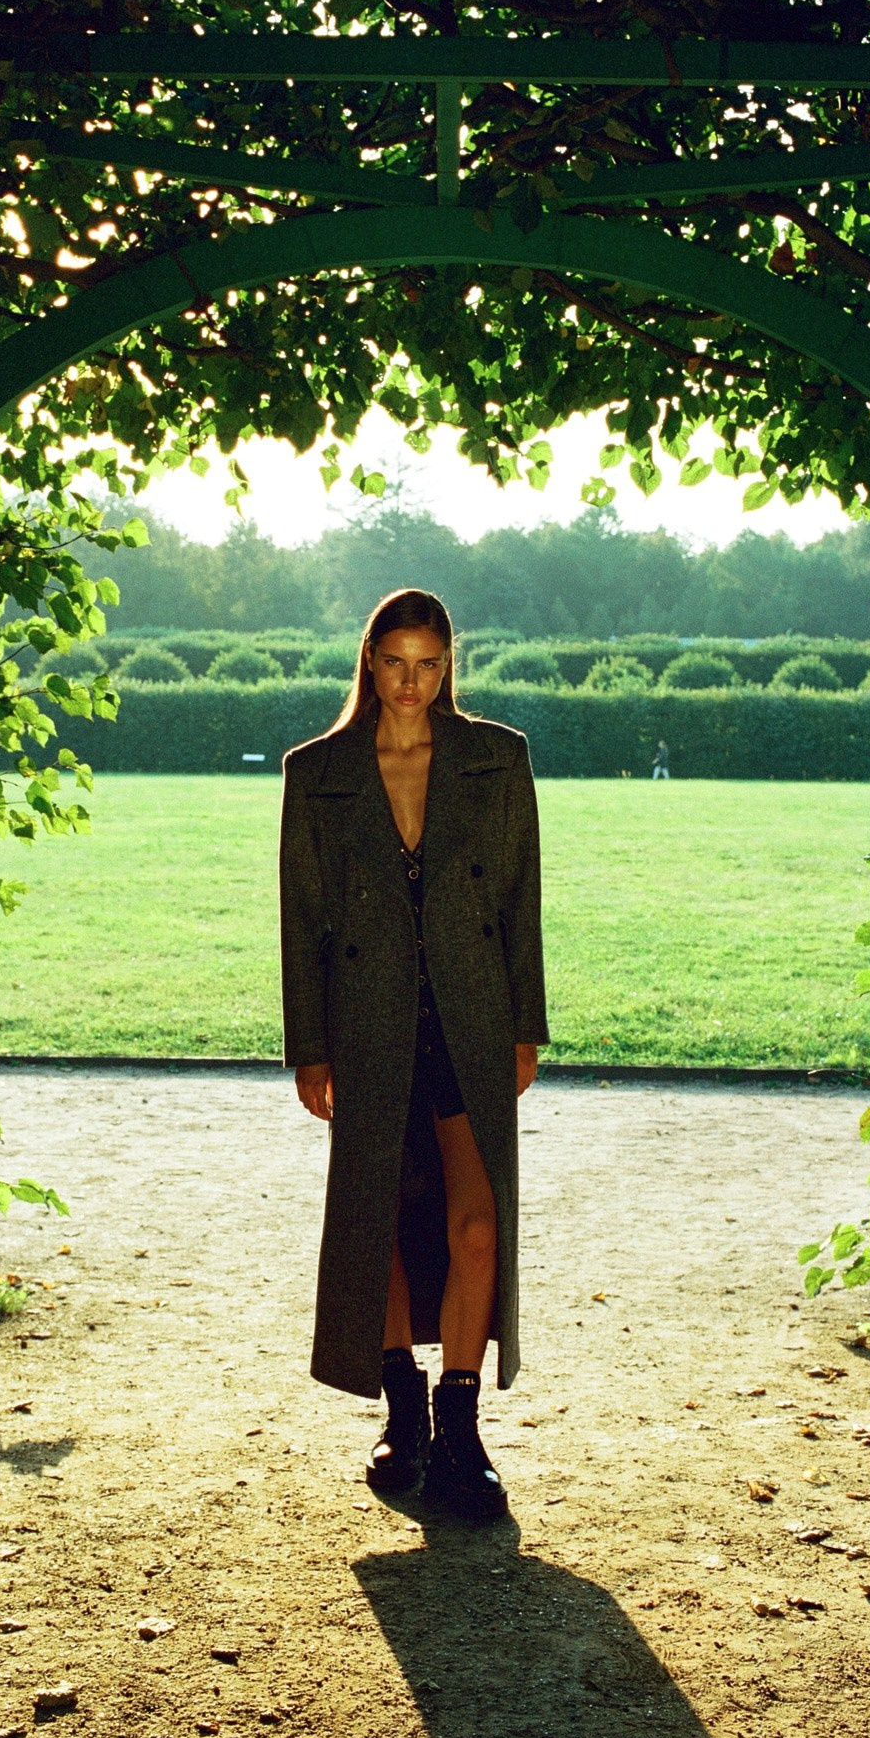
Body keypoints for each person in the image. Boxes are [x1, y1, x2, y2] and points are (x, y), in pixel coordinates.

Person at [279, 588, 548, 1522]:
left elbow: (520, 900)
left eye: (429, 664)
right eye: (396, 662)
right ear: (370, 660)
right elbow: (302, 919)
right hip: (367, 1019)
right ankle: (403, 1412)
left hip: (473, 1016)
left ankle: (461, 1427)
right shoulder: (317, 771)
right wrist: (310, 1049)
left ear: (448, 665)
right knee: (381, 1221)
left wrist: (525, 1027)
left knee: (477, 1223)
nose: (411, 682)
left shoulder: (497, 757)